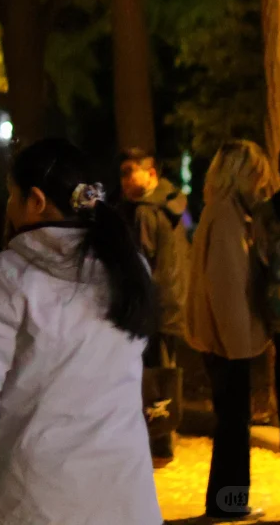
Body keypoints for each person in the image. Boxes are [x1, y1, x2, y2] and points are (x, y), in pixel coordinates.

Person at [0, 138, 160, 525]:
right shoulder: (130, 270)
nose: (8, 206)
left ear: (36, 200)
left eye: (12, 195)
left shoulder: (5, 276)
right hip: (125, 492)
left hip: (32, 497)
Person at [186, 139, 277, 522]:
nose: (261, 182)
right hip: (227, 344)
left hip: (222, 341)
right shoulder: (226, 217)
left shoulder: (221, 211)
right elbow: (225, 288)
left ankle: (226, 502)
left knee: (232, 424)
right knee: (234, 426)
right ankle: (230, 504)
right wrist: (240, 347)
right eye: (256, 173)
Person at [118, 147, 189, 463]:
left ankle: (158, 443)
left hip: (153, 306)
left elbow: (141, 263)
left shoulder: (144, 212)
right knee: (165, 372)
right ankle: (165, 437)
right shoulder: (172, 205)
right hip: (172, 302)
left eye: (130, 171)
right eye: (122, 173)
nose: (124, 179)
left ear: (151, 173)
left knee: (152, 376)